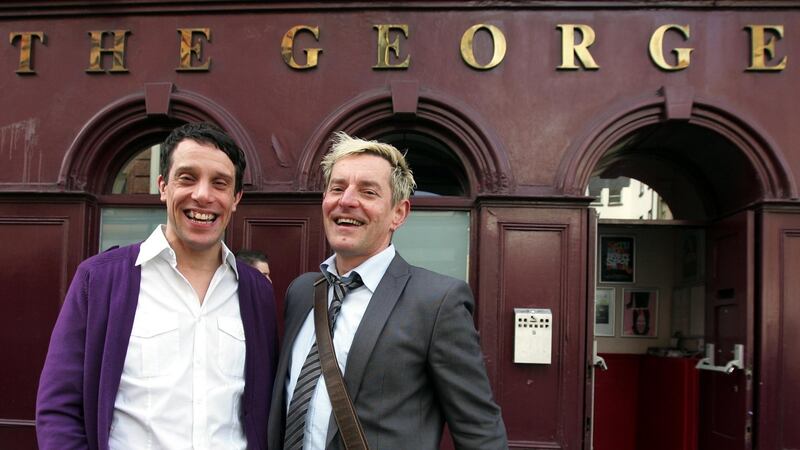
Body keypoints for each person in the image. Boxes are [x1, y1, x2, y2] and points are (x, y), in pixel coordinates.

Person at [36, 122, 278, 450]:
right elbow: (58, 409)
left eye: (219, 183)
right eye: (187, 178)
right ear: (163, 186)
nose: (202, 195)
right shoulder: (100, 280)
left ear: (236, 198)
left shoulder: (257, 293)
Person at [268, 132, 507, 449]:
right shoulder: (302, 291)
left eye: (368, 192)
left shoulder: (437, 302)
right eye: (337, 188)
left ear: (399, 213)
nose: (346, 200)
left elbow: (480, 432)